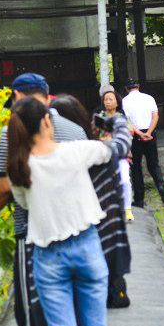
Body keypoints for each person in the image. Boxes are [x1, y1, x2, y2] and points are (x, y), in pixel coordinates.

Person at [0, 73, 114, 326]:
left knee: (34, 315)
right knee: (85, 320)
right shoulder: (75, 131)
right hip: (81, 231)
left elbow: (7, 187)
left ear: (18, 96)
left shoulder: (15, 130)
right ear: (48, 97)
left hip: (35, 235)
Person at [6, 97, 114, 326]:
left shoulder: (19, 168)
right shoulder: (75, 151)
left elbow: (23, 205)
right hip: (88, 247)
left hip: (48, 255)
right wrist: (115, 127)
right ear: (48, 123)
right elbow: (112, 150)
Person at [49, 95, 132, 309]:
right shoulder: (98, 152)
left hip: (70, 236)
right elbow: (124, 140)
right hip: (106, 230)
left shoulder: (49, 159)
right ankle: (112, 286)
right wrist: (112, 121)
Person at [122, 78, 164, 208]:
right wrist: (148, 132)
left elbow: (127, 121)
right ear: (138, 86)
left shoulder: (124, 101)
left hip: (135, 135)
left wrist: (139, 133)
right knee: (154, 164)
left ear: (126, 89)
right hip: (150, 134)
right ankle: (161, 188)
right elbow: (156, 116)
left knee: (136, 167)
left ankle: (139, 199)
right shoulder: (149, 98)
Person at [96, 85, 134, 221]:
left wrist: (113, 139)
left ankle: (128, 209)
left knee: (125, 180)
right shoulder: (100, 117)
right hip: (105, 154)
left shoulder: (122, 118)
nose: (108, 102)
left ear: (117, 102)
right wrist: (103, 139)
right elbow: (95, 135)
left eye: (110, 99)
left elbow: (130, 133)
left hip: (121, 155)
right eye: (105, 100)